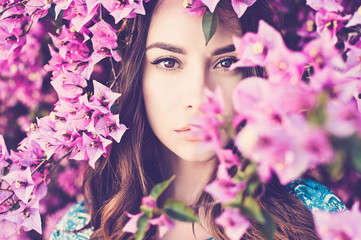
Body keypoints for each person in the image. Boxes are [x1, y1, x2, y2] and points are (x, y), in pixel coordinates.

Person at [50, 0, 346, 239]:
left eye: (226, 63)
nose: (200, 97)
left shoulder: (316, 218)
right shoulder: (82, 230)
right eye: (168, 62)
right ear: (135, 75)